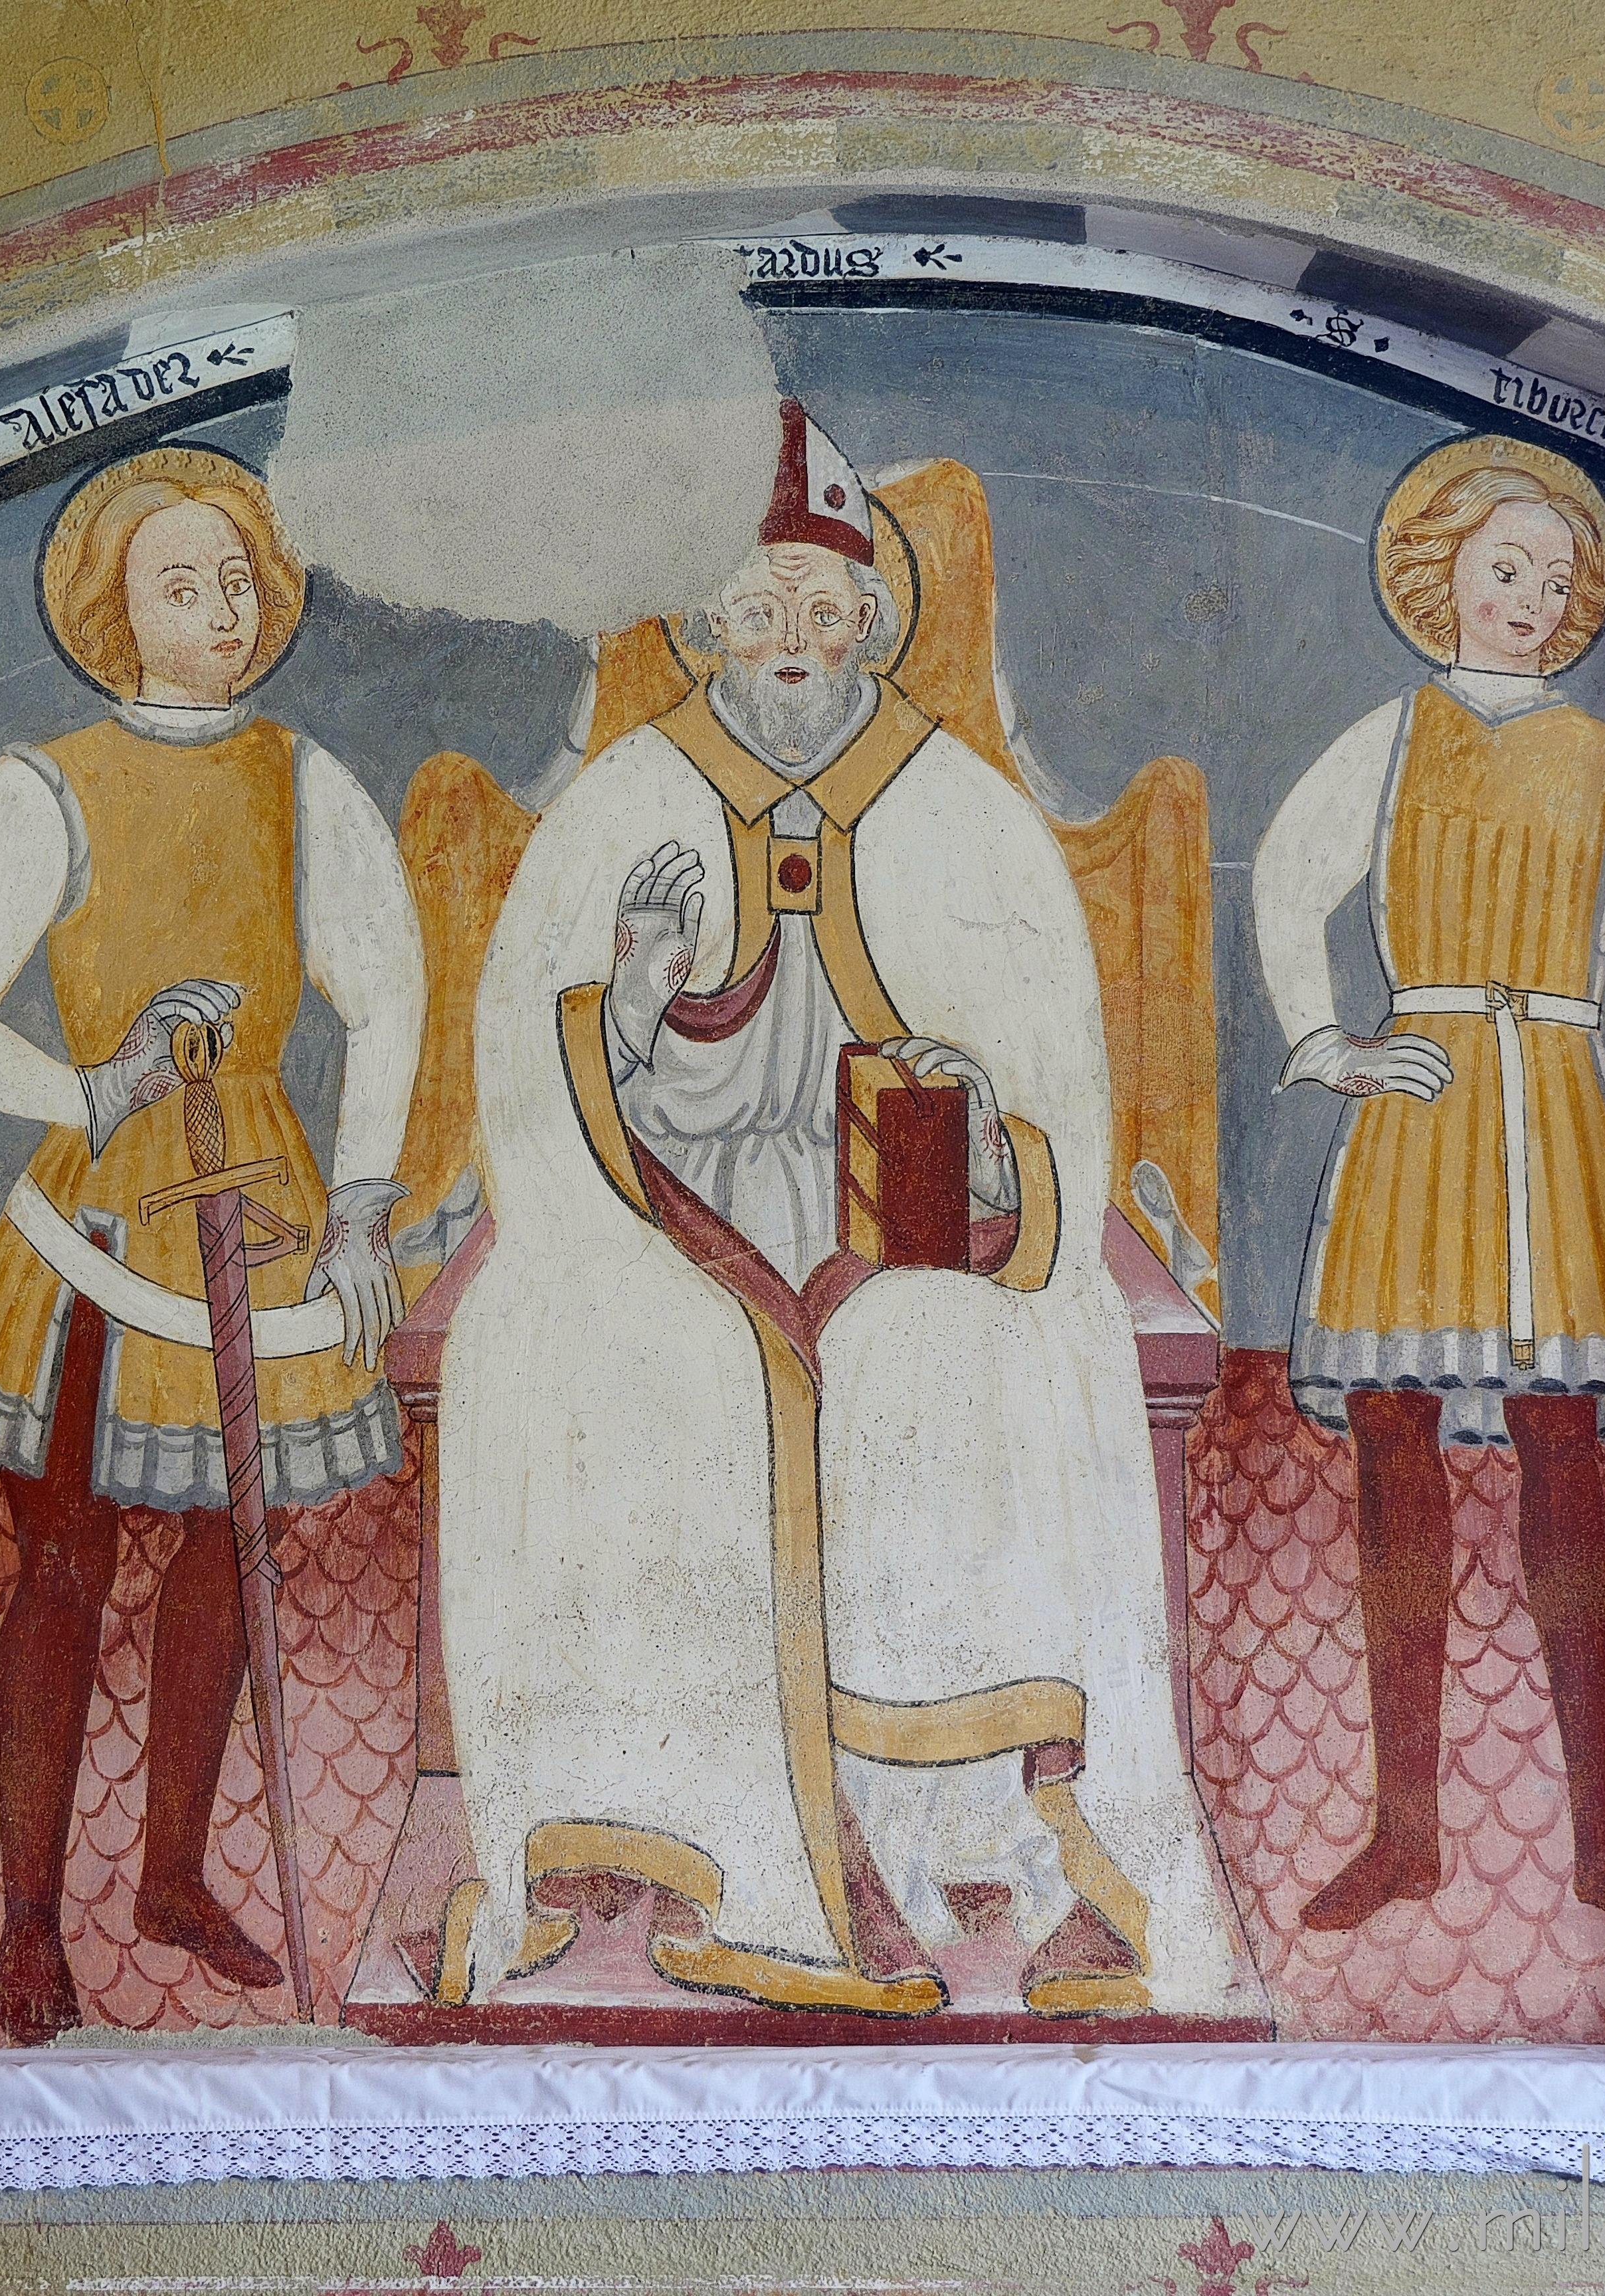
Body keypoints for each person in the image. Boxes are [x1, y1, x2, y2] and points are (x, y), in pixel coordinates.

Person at [432, 401, 1238, 2017]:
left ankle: (970, 1816)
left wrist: (991, 1149)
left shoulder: (962, 811)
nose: (791, 642)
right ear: (704, 627)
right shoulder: (621, 804)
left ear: (875, 619)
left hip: (917, 1231)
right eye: (756, 609)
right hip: (662, 1220)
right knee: (579, 1348)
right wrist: (639, 1006)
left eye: (823, 609)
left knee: (995, 1351)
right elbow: (531, 1074)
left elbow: (1056, 1082)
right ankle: (691, 1827)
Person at [1250, 434, 1605, 1963]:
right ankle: (1405, 1833)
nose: (1531, 597)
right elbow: (1284, 885)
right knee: (1393, 1454)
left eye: (1557, 581)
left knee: (1568, 1467)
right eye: (1507, 568)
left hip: (1561, 1114)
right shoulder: (1386, 741)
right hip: (1421, 1108)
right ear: (1443, 578)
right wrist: (1330, 1047)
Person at [0, 444, 424, 2042]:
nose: (218, 609)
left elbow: (389, 994)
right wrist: (90, 1078)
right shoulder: (41, 786)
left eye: (237, 581)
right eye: (178, 585)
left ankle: (175, 1872)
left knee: (225, 1552)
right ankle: (34, 1919)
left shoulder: (301, 780)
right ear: (113, 615)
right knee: (63, 1561)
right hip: (105, 1214)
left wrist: (358, 1209)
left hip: (254, 1197)